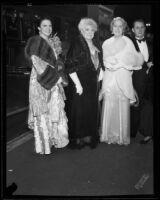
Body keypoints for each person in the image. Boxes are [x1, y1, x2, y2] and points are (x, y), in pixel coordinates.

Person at [25, 17, 69, 154]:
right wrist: (55, 79)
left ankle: (54, 139)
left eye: (50, 26)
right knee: (42, 111)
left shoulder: (51, 42)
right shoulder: (35, 41)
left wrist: (60, 69)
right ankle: (43, 146)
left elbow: (57, 62)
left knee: (54, 109)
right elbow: (37, 63)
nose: (48, 28)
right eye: (44, 26)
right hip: (40, 81)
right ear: (39, 28)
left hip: (52, 79)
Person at [99, 17, 144, 145]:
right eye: (115, 26)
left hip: (123, 77)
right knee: (109, 103)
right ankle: (107, 134)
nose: (118, 28)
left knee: (121, 104)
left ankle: (120, 135)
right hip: (109, 77)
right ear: (111, 28)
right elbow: (103, 60)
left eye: (120, 26)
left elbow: (134, 63)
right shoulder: (106, 43)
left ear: (123, 28)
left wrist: (122, 65)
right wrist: (109, 64)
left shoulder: (128, 42)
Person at [65, 17, 104, 149]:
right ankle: (78, 139)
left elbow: (99, 64)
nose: (90, 32)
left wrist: (101, 74)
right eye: (87, 29)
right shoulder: (77, 43)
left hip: (92, 84)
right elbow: (69, 65)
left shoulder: (96, 44)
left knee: (90, 111)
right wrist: (77, 84)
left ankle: (88, 137)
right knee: (79, 112)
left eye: (92, 30)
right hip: (80, 83)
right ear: (81, 30)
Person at [131, 19, 153, 143]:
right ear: (133, 30)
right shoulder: (128, 43)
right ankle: (132, 131)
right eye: (137, 27)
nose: (140, 30)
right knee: (135, 104)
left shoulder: (150, 42)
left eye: (142, 27)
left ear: (145, 28)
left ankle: (148, 132)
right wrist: (146, 65)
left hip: (149, 79)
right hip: (135, 78)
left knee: (148, 106)